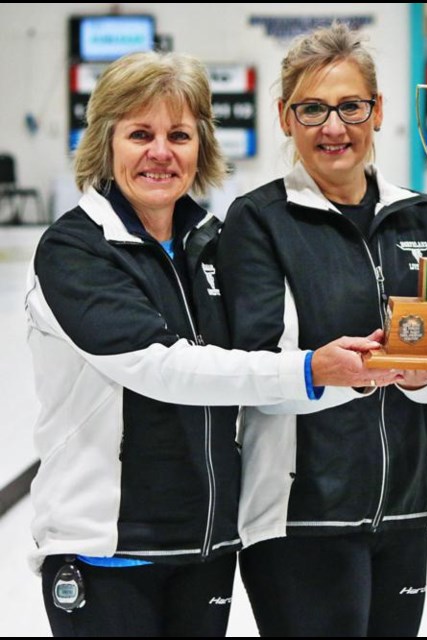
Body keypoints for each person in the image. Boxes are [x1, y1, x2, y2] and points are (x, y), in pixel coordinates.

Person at [25, 51, 393, 637]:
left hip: (209, 547)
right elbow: (160, 369)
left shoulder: (211, 244)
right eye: (139, 134)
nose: (161, 153)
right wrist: (307, 371)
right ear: (105, 143)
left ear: (201, 147)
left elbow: (254, 369)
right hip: (109, 550)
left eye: (179, 134)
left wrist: (373, 375)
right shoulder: (75, 250)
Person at [216, 23, 427, 636]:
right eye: (313, 109)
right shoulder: (259, 221)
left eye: (350, 106)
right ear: (284, 117)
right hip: (302, 515)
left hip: (404, 507)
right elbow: (252, 363)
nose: (333, 126)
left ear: (377, 112)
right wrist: (336, 372)